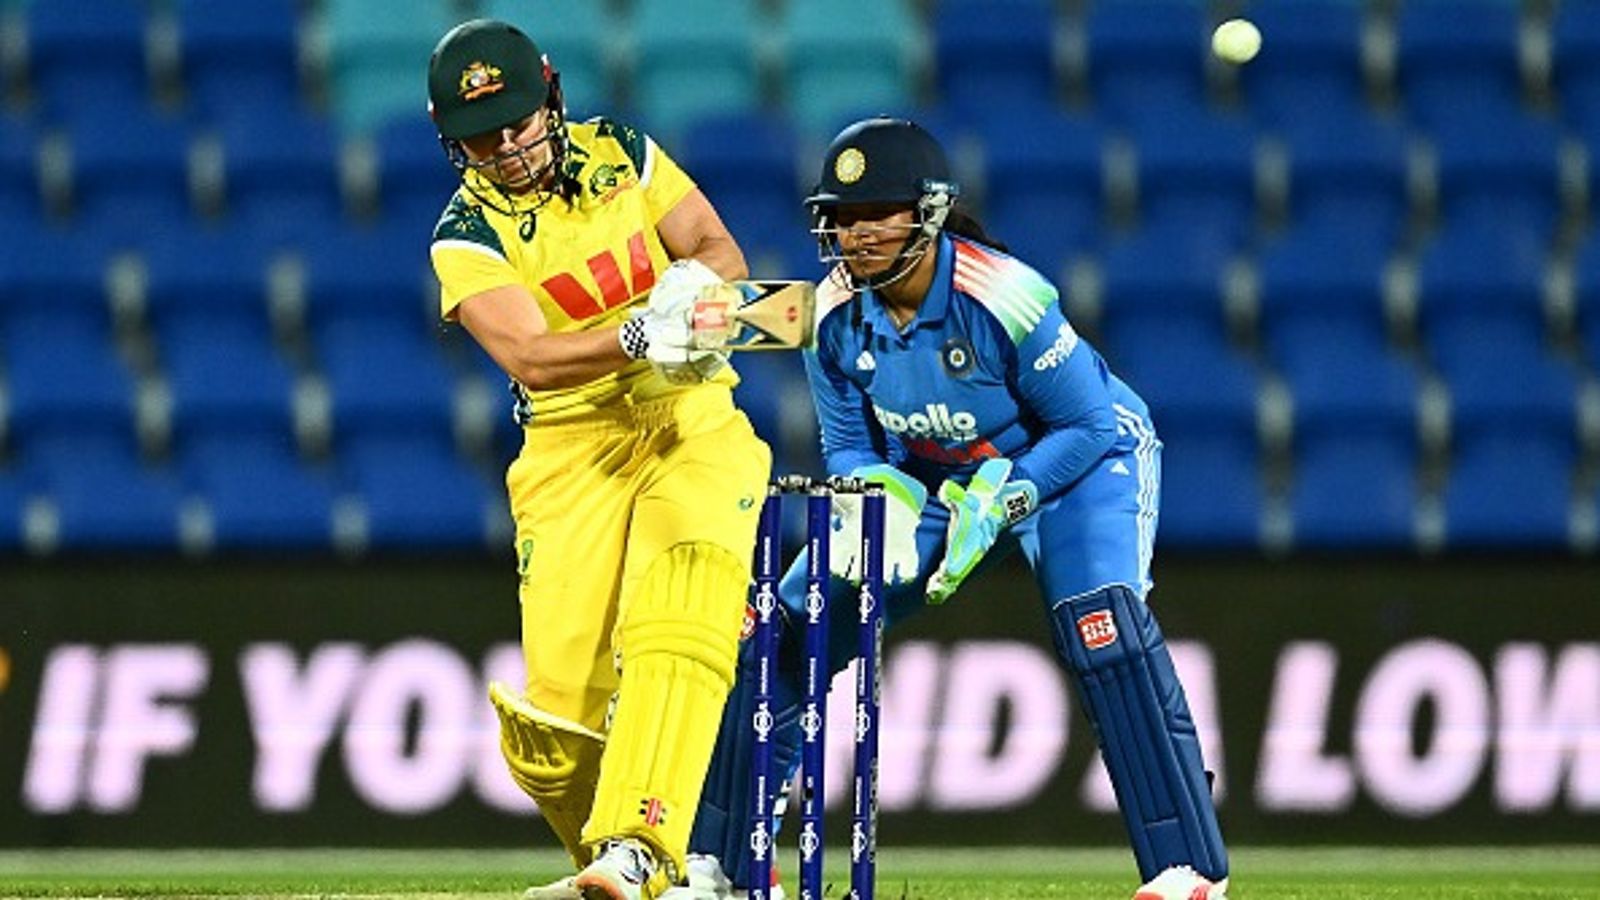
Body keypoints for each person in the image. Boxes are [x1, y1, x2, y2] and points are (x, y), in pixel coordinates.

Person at [667, 118, 1230, 900]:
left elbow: (1089, 424)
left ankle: (1187, 868)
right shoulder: (832, 313)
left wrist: (1008, 498)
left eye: (877, 214)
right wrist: (878, 498)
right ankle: (721, 864)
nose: (856, 235)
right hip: (942, 478)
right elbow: (849, 445)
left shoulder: (1004, 295)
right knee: (788, 625)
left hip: (1074, 462)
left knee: (1101, 627)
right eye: (843, 217)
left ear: (927, 213)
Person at [424, 19, 772, 900]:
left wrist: (697, 292)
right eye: (482, 137)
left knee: (678, 617)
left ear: (550, 95)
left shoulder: (622, 150)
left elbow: (718, 250)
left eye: (517, 123)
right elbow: (532, 358)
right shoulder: (463, 233)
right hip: (570, 446)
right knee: (553, 724)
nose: (507, 149)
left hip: (688, 416)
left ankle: (642, 848)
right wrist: (638, 334)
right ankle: (639, 871)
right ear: (449, 138)